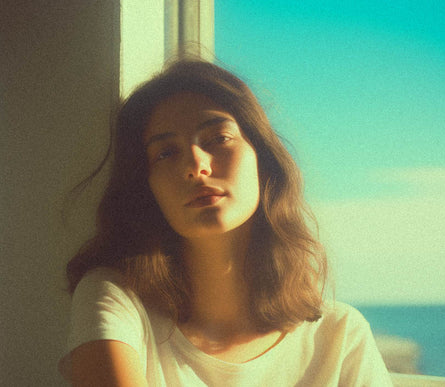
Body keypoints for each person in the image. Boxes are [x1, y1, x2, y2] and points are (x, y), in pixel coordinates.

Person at [59, 59, 392, 386]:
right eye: (166, 153)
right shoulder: (118, 300)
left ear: (262, 160)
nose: (196, 165)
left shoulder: (340, 336)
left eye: (218, 138)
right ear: (147, 188)